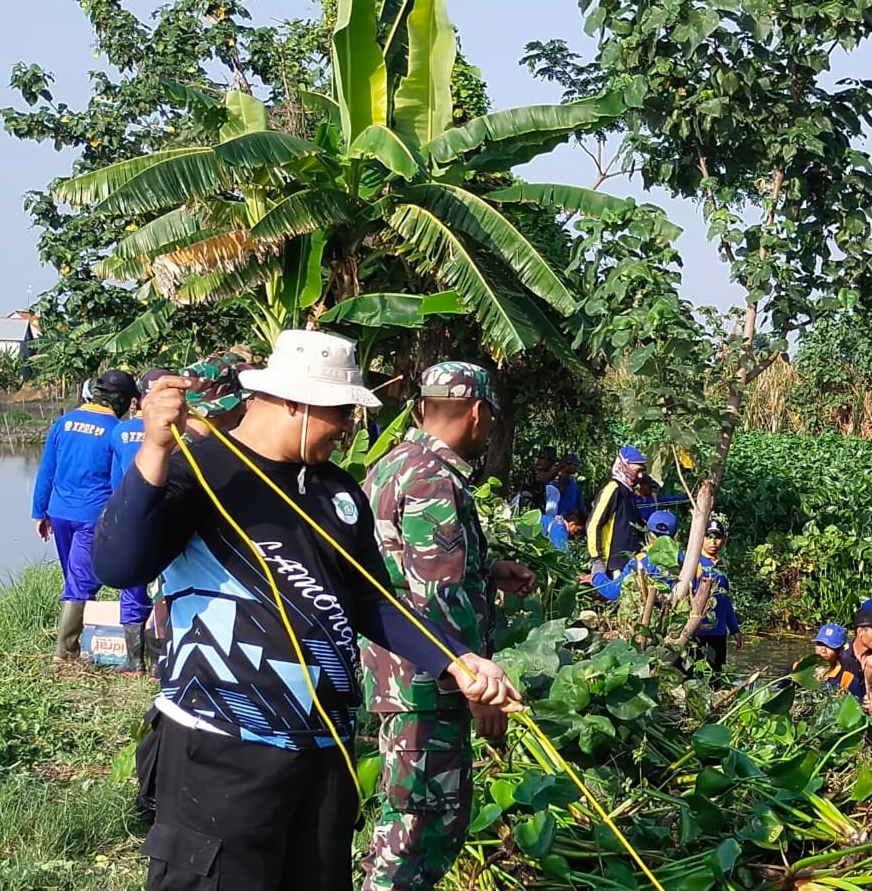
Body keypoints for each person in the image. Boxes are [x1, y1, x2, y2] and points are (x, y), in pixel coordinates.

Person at [91, 330, 520, 891]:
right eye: (340, 413)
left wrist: (457, 660)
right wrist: (152, 450)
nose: (347, 428)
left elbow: (371, 598)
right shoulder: (201, 471)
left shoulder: (336, 493)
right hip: (223, 748)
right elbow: (118, 565)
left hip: (323, 754)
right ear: (295, 402)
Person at [359, 362, 537, 891]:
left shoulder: (394, 466)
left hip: (401, 676)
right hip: (427, 684)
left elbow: (403, 568)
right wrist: (475, 684)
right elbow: (435, 597)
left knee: (414, 822)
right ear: (479, 413)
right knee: (417, 831)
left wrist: (487, 568)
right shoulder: (435, 479)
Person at [32, 369, 140, 660]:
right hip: (92, 516)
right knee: (78, 584)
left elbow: (46, 470)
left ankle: (76, 645)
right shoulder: (116, 430)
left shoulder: (64, 422)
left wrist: (38, 512)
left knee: (74, 579)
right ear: (124, 400)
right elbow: (119, 481)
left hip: (59, 513)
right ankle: (65, 653)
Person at [107, 368, 172, 676]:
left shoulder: (120, 432)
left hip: (132, 519)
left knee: (132, 589)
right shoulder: (180, 431)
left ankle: (134, 661)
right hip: (168, 519)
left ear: (138, 399)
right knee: (165, 591)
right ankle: (161, 663)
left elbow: (115, 483)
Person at [684, 519, 742, 673]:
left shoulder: (721, 565)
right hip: (698, 631)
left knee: (716, 675)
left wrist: (735, 629)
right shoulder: (694, 563)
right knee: (694, 674)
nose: (713, 541)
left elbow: (725, 601)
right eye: (708, 536)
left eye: (717, 537)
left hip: (719, 633)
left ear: (723, 540)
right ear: (701, 538)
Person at [589, 510, 678, 601]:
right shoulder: (685, 560)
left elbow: (614, 591)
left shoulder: (642, 562)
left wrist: (597, 576)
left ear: (647, 535)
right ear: (676, 536)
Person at [586, 446, 648, 575]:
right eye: (637, 471)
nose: (640, 475)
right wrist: (597, 559)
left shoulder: (629, 493)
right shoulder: (613, 490)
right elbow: (593, 524)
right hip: (614, 564)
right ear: (624, 466)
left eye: (642, 471)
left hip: (630, 562)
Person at [808, 623, 857, 692]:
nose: (823, 650)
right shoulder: (802, 670)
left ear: (840, 651)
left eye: (829, 646)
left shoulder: (847, 679)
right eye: (820, 644)